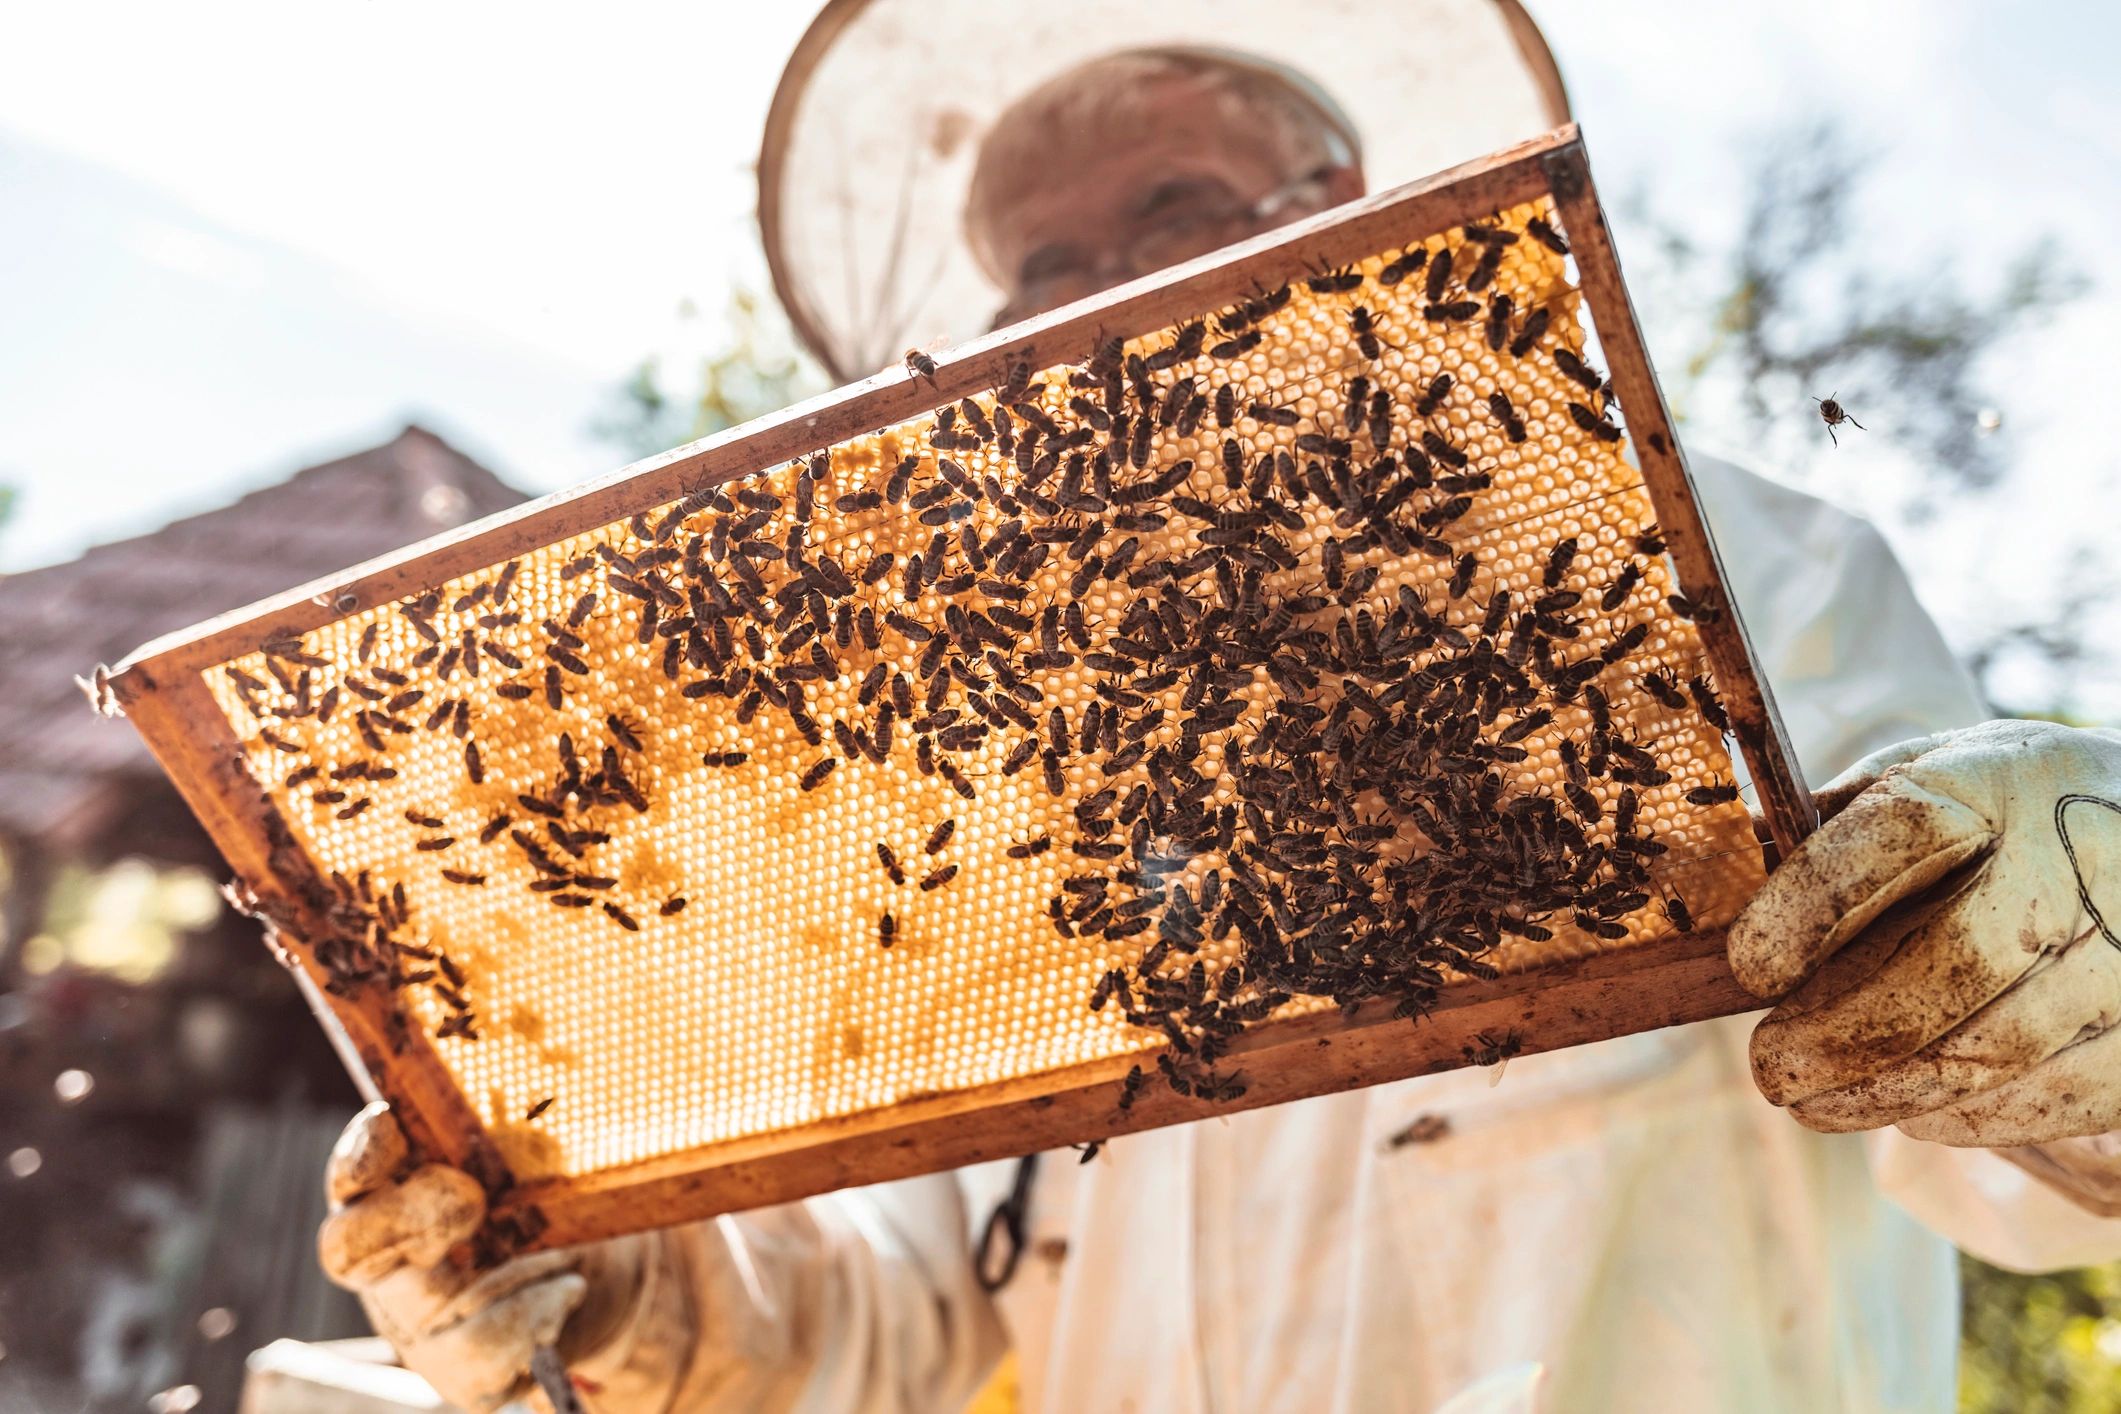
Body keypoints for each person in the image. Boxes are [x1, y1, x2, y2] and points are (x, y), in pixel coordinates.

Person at [318, 12, 2121, 1412]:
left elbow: (2027, 1162)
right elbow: (907, 1313)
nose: (1105, 304)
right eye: (1041, 272)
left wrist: (2085, 982)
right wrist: (641, 1306)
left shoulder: (1752, 566)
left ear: (1347, 220)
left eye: (1169, 218)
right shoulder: (1001, 759)